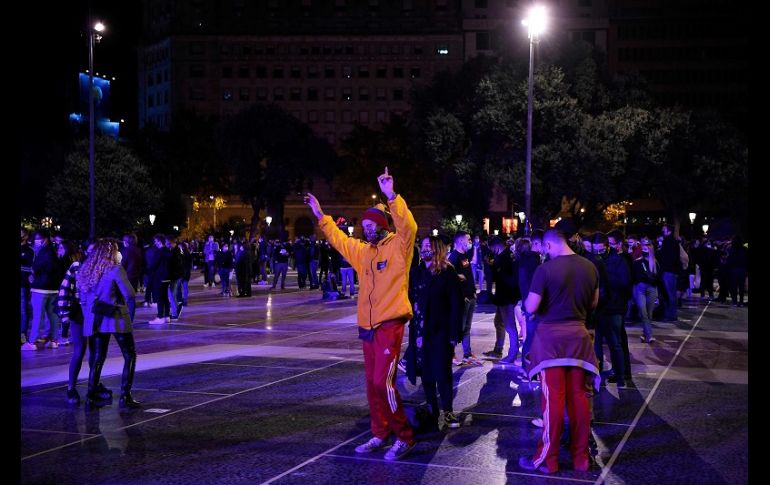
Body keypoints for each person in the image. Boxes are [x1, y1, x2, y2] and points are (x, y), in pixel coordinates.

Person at [304, 167, 417, 461]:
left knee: (383, 382)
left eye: (371, 224)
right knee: (371, 384)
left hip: (390, 323)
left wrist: (391, 195)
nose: (366, 229)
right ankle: (380, 432)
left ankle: (404, 437)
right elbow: (339, 240)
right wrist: (321, 215)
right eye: (364, 225)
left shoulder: (399, 246)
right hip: (368, 327)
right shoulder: (364, 252)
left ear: (382, 224)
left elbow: (408, 226)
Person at [518, 228, 601, 474]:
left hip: (551, 343)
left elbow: (531, 306)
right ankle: (581, 459)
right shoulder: (590, 267)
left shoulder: (545, 269)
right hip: (579, 339)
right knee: (580, 399)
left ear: (548, 245)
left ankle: (548, 460)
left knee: (552, 401)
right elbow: (593, 303)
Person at [404, 236, 464, 429]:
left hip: (441, 331)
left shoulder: (447, 272)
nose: (424, 249)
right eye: (423, 245)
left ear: (437, 249)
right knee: (426, 373)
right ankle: (432, 410)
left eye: (428, 246)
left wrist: (455, 333)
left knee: (442, 372)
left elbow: (456, 304)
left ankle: (448, 412)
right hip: (420, 331)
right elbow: (409, 298)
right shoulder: (416, 272)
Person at [77, 239, 140, 409]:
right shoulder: (115, 269)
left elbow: (82, 299)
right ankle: (125, 396)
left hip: (95, 318)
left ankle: (90, 397)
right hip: (116, 316)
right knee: (129, 355)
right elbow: (130, 294)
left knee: (98, 357)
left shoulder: (86, 270)